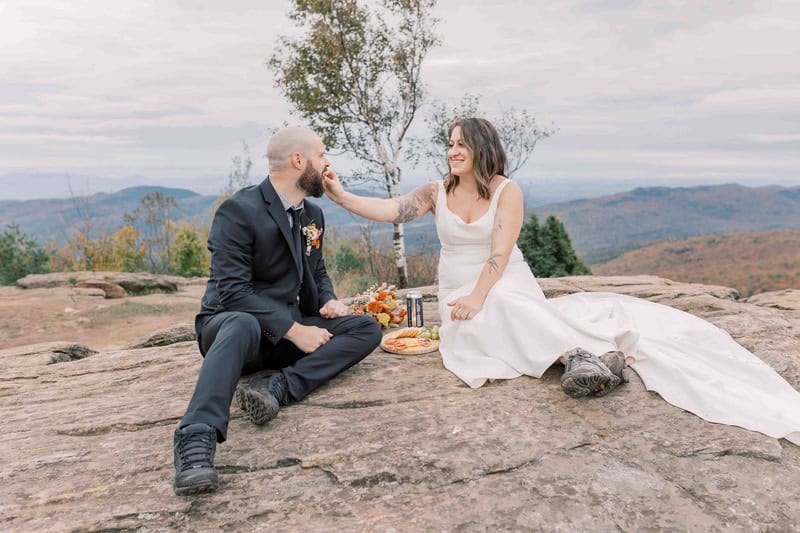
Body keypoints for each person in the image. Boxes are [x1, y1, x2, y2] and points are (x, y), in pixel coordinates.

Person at [322, 117, 800, 446]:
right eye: (449, 143)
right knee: (469, 337)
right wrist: (339, 194)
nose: (452, 151)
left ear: (481, 149)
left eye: (461, 144)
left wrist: (479, 296)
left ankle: (578, 357)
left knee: (502, 309)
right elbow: (389, 211)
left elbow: (499, 255)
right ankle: (583, 354)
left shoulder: (508, 191)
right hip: (454, 287)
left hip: (501, 278)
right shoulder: (435, 191)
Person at [173, 126, 382, 496]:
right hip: (235, 332)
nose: (327, 162)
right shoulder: (238, 211)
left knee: (366, 329)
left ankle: (279, 388)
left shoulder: (313, 213)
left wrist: (328, 300)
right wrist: (294, 330)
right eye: (321, 155)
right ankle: (195, 440)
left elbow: (315, 271)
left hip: (287, 332)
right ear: (298, 161)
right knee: (240, 323)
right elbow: (233, 292)